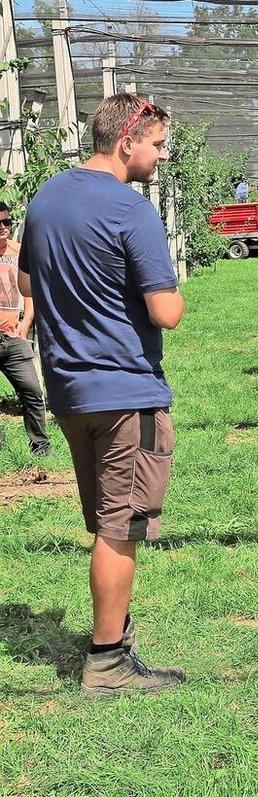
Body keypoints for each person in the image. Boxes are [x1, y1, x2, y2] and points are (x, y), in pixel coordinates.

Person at [18, 93, 186, 695]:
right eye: (159, 145)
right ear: (127, 142)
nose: (161, 157)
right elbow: (167, 311)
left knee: (104, 516)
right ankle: (108, 661)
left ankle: (118, 633)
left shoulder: (44, 200)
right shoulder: (131, 210)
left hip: (67, 389)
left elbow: (26, 282)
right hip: (125, 389)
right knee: (120, 526)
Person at [0, 201, 49, 456]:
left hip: (14, 338)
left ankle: (40, 446)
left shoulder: (19, 253)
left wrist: (25, 323)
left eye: (7, 222)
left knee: (32, 391)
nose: (3, 227)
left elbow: (30, 294)